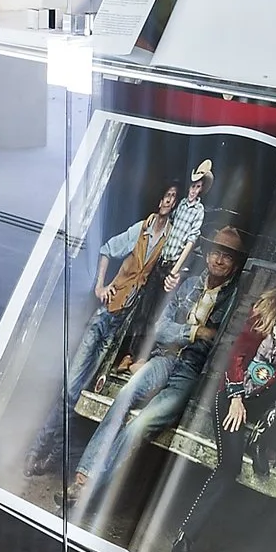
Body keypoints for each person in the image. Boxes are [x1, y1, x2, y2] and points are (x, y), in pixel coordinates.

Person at [66, 222, 246, 542]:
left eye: (228, 256)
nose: (219, 260)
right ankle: (83, 476)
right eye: (217, 252)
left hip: (191, 372)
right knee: (124, 397)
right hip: (165, 358)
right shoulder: (189, 284)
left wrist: (203, 338)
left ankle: (92, 490)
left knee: (142, 424)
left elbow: (220, 344)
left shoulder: (234, 300)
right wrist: (193, 332)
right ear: (208, 254)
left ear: (235, 263)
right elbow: (161, 330)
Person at [170, 257, 276, 552]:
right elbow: (236, 357)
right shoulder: (264, 311)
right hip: (235, 390)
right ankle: (185, 537)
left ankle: (262, 441)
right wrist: (236, 398)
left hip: (267, 398)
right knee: (229, 466)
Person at [28, 181, 180, 480]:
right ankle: (38, 450)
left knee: (80, 393)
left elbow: (171, 274)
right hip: (106, 315)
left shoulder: (172, 240)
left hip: (125, 329)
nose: (168, 200)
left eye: (173, 198)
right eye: (166, 195)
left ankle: (51, 457)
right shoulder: (142, 229)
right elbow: (108, 249)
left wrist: (172, 279)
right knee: (70, 388)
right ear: (160, 199)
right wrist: (101, 285)